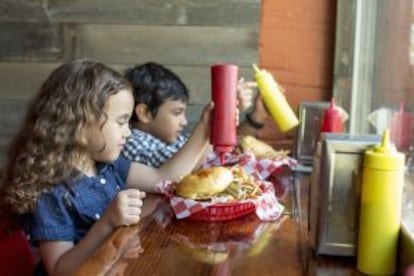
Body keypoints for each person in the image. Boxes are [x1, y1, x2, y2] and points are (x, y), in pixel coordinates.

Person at [0, 60, 213, 276]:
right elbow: (59, 270)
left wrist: (205, 128)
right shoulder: (51, 189)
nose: (128, 132)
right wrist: (108, 222)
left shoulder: (108, 166)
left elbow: (164, 178)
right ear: (80, 122)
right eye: (121, 122)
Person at [122, 62, 269, 167]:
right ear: (144, 113)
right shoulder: (132, 143)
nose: (184, 122)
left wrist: (234, 115)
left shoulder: (172, 141)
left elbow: (211, 149)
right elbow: (182, 167)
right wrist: (217, 117)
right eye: (177, 113)